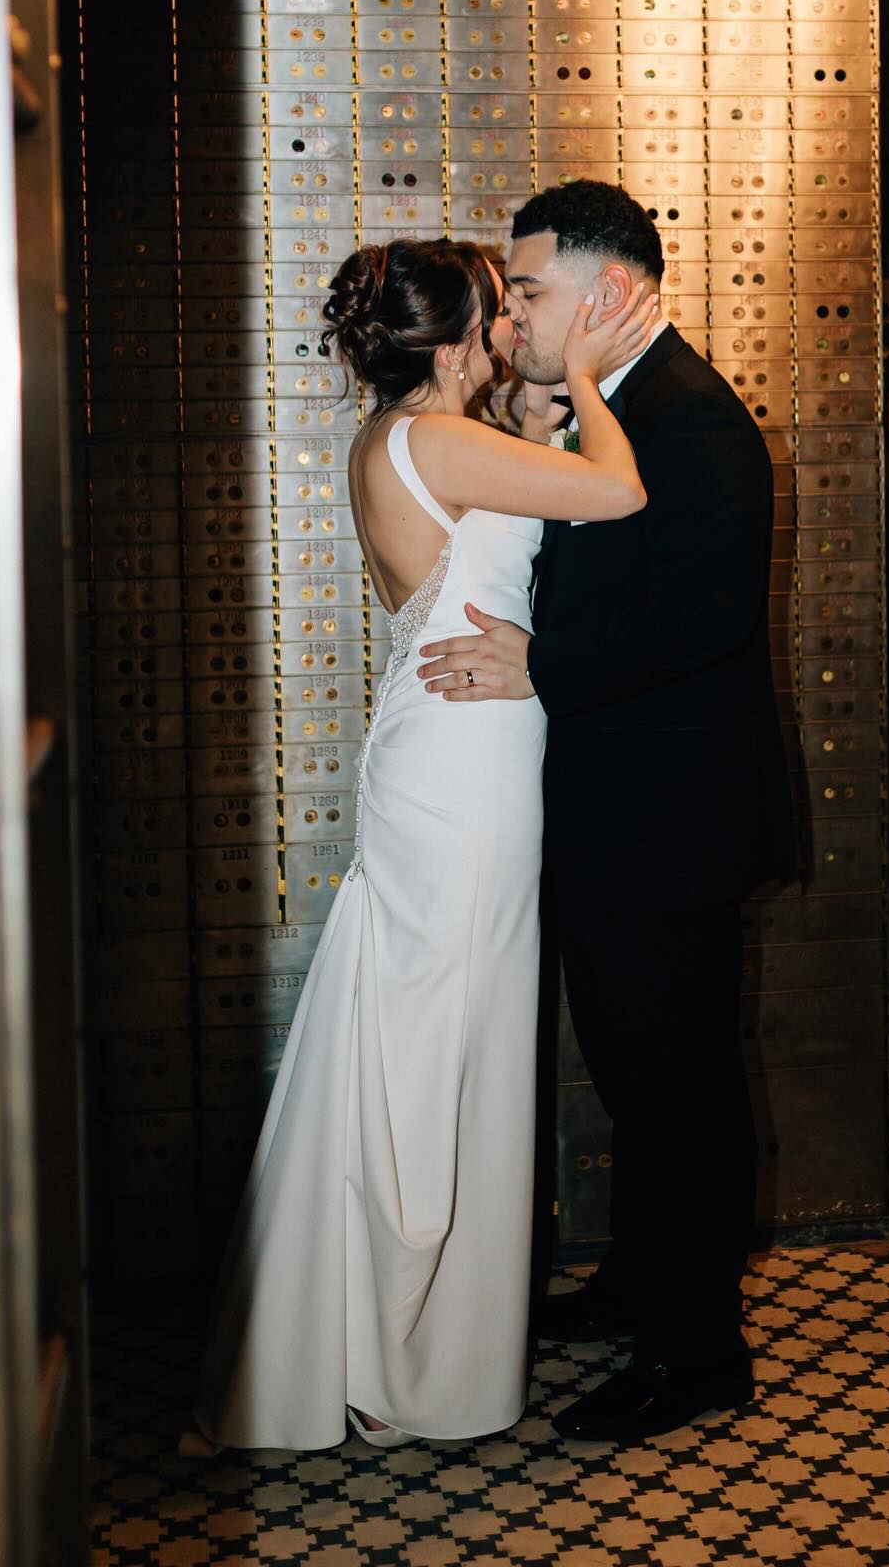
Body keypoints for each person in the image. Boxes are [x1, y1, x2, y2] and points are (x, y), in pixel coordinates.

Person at [181, 236, 658, 1454]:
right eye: (498, 312)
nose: (511, 328)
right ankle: (404, 1356)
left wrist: (540, 409)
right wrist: (588, 377)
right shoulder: (444, 444)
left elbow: (513, 492)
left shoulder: (407, 435)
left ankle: (385, 1337)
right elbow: (616, 492)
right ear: (452, 345)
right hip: (466, 772)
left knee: (422, 1033)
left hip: (445, 753)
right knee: (445, 1041)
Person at [417, 181, 794, 1444]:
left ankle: (699, 1353)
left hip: (672, 820)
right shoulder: (616, 407)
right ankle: (641, 1286)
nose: (513, 315)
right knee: (639, 1076)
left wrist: (539, 664)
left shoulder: (693, 421)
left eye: (530, 290)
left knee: (681, 1089)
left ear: (612, 291)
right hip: (616, 812)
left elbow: (702, 620)